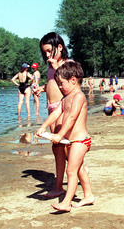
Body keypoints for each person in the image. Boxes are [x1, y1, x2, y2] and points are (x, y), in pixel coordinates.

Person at [35, 61, 94, 212]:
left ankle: (66, 202)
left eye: (61, 84)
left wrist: (59, 135)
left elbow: (72, 118)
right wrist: (43, 126)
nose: (59, 87)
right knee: (79, 169)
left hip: (81, 140)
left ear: (73, 80)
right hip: (71, 141)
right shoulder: (65, 98)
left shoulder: (79, 96)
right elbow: (56, 113)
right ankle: (88, 196)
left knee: (71, 171)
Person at [33, 32, 72, 198]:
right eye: (45, 53)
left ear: (60, 47)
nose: (48, 55)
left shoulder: (68, 64)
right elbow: (53, 82)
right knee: (57, 147)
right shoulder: (50, 67)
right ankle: (63, 181)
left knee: (64, 147)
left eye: (50, 51)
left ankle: (62, 183)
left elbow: (68, 82)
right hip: (51, 108)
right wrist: (43, 88)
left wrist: (56, 66)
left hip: (62, 108)